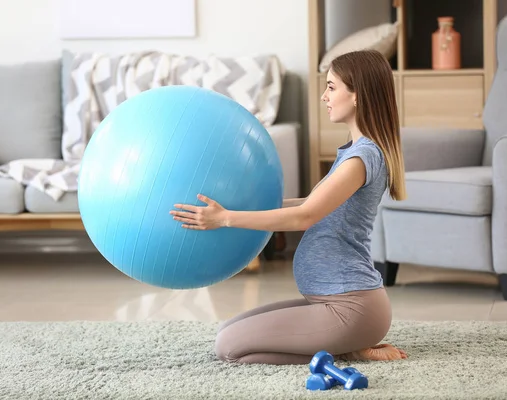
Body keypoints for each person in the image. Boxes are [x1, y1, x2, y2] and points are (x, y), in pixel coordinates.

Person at [169, 50, 408, 365]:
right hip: (329, 301)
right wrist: (241, 206)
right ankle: (346, 344)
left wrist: (225, 218)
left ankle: (348, 347)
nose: (324, 96)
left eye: (332, 87)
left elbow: (305, 216)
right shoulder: (354, 152)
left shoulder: (361, 159)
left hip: (351, 307)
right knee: (229, 330)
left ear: (357, 96)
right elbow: (310, 204)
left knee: (229, 347)